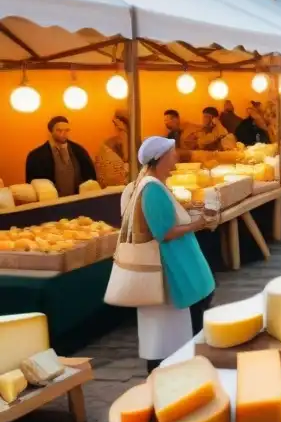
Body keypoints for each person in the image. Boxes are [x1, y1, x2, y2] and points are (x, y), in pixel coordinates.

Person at [119, 136, 216, 372]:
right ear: (161, 157)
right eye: (172, 154)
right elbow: (165, 232)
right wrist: (198, 223)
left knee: (189, 319)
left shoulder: (154, 185)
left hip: (181, 263)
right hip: (174, 265)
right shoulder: (151, 189)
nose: (176, 157)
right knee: (186, 323)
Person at [25, 116, 97, 197]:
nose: (63, 134)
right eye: (59, 130)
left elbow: (90, 176)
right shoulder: (36, 156)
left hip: (77, 199)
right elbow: (33, 186)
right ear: (51, 131)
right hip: (51, 203)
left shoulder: (78, 151)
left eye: (67, 130)